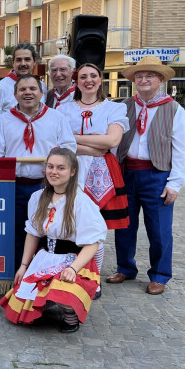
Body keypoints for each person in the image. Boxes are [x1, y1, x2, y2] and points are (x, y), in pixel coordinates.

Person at [107, 56, 185, 295]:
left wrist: (175, 183)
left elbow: (183, 149)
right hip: (126, 173)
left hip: (158, 175)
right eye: (139, 76)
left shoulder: (174, 109)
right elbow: (114, 144)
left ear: (161, 80)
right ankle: (125, 267)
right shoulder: (124, 106)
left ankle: (160, 275)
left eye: (149, 75)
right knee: (124, 225)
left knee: (160, 229)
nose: (143, 80)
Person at [0, 148, 106, 333]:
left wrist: (73, 269)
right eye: (50, 166)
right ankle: (49, 302)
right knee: (19, 311)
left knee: (64, 291)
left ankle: (70, 315)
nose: (54, 172)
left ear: (72, 172)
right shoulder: (38, 198)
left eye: (60, 168)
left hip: (75, 260)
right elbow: (33, 234)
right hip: (46, 257)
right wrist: (24, 266)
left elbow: (93, 243)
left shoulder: (81, 201)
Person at [0, 74, 75, 264]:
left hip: (47, 185)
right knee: (17, 231)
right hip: (14, 186)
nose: (28, 92)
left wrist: (55, 167)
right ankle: (19, 274)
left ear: (41, 93)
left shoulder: (56, 117)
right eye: (22, 89)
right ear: (15, 94)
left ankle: (43, 274)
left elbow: (68, 147)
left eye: (33, 89)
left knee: (48, 231)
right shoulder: (3, 120)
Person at [58, 63, 129, 299]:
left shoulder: (113, 108)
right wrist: (87, 144)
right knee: (71, 223)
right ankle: (71, 271)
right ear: (76, 82)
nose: (89, 80)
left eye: (94, 76)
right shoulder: (63, 109)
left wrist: (73, 140)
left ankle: (94, 277)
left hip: (101, 173)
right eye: (83, 77)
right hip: (69, 168)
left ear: (101, 80)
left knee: (96, 227)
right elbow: (57, 141)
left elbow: (112, 141)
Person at [0, 42, 46, 132]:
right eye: (19, 60)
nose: (23, 63)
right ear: (13, 62)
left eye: (27, 59)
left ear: (34, 62)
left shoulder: (42, 86)